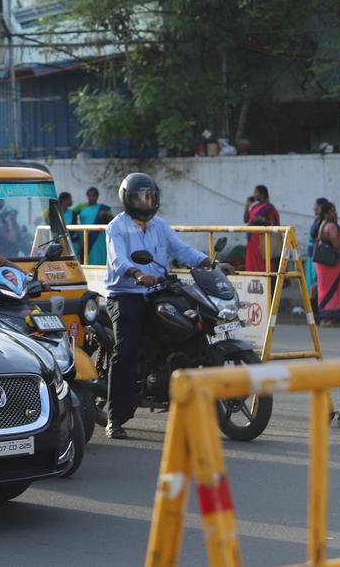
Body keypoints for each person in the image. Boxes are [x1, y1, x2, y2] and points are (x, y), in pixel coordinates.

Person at [103, 172, 226, 439]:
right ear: (128, 199)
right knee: (125, 351)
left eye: (150, 197)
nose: (146, 203)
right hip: (127, 294)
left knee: (189, 329)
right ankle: (116, 416)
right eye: (140, 198)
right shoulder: (116, 227)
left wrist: (209, 263)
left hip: (159, 290)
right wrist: (137, 275)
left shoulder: (159, 225)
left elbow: (182, 251)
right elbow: (118, 262)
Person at [314, 201, 340, 326]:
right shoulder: (331, 226)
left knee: (324, 289)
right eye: (333, 211)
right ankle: (330, 318)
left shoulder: (322, 224)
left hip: (322, 263)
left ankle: (325, 316)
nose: (335, 213)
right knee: (334, 289)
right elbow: (336, 244)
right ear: (327, 213)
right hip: (330, 264)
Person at [242, 184, 280, 273]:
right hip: (252, 240)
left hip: (262, 241)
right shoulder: (254, 207)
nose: (254, 194)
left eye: (256, 192)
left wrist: (262, 220)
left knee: (262, 264)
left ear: (262, 194)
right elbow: (245, 220)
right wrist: (247, 206)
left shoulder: (269, 208)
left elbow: (274, 224)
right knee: (251, 264)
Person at [75, 186, 112, 266]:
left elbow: (112, 221)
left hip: (99, 236)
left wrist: (106, 215)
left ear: (97, 196)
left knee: (98, 255)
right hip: (84, 235)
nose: (92, 198)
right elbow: (70, 216)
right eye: (90, 196)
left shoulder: (103, 208)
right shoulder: (80, 207)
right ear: (87, 196)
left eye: (94, 196)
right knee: (85, 256)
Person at [305, 197, 330, 309]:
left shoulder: (322, 222)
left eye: (315, 205)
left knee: (316, 283)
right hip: (311, 255)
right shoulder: (317, 220)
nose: (314, 208)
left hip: (317, 256)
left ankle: (317, 308)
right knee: (311, 283)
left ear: (320, 207)